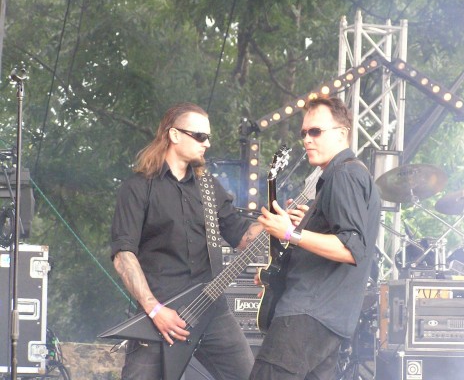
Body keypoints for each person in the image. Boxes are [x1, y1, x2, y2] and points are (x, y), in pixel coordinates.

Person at [110, 102, 262, 380]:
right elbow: (123, 256)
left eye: (208, 137)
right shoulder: (138, 187)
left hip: (211, 307)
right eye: (200, 136)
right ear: (174, 135)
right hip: (161, 311)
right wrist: (155, 310)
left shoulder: (209, 187)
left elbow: (242, 237)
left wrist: (276, 223)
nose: (207, 144)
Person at [249, 96, 381, 379]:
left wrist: (289, 232)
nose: (307, 139)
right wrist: (306, 225)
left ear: (342, 133)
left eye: (316, 131)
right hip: (325, 319)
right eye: (304, 133)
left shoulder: (344, 174)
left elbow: (350, 248)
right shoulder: (344, 176)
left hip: (306, 315)